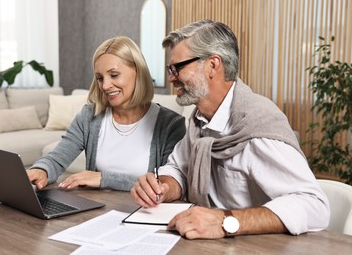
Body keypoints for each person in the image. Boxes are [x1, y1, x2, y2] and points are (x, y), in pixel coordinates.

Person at [130, 20, 330, 239]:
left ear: (213, 65)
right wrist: (163, 188)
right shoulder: (199, 121)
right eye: (170, 69)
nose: (170, 77)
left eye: (177, 68)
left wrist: (226, 222)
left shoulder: (257, 126)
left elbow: (314, 206)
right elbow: (178, 169)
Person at [27, 36, 186, 191]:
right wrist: (42, 170)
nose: (105, 85)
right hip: (97, 212)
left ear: (138, 71)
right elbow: (57, 158)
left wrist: (103, 179)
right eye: (100, 78)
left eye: (114, 75)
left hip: (143, 214)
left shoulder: (170, 125)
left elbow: (166, 186)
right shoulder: (89, 117)